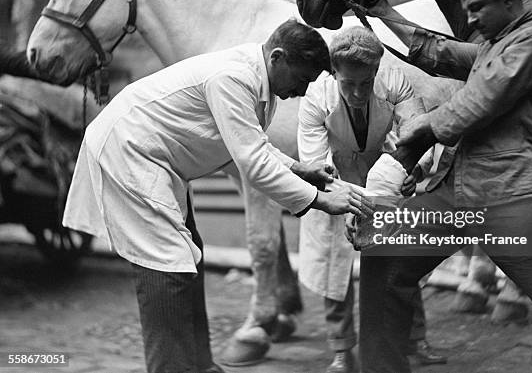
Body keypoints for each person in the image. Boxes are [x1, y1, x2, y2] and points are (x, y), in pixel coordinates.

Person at [62, 19, 374, 373]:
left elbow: (250, 142)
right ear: (278, 57)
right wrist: (320, 201)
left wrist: (300, 169)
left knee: (190, 257)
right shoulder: (233, 78)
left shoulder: (259, 81)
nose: (302, 91)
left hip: (157, 160)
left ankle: (199, 365)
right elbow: (252, 163)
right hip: (129, 151)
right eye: (301, 80)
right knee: (168, 264)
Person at [346, 0, 532, 373]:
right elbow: (438, 52)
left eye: (476, 8)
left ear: (509, 0)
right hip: (462, 198)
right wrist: (382, 11)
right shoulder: (493, 48)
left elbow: (477, 103)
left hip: (516, 200)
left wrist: (419, 132)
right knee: (386, 249)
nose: (468, 19)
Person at [296, 26, 447, 373]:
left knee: (397, 260)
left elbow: (417, 133)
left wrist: (417, 169)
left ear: (376, 72)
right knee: (335, 264)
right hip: (336, 183)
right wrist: (351, 201)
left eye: (366, 83)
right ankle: (341, 348)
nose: (358, 92)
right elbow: (318, 165)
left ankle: (415, 338)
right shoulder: (315, 97)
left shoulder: (396, 82)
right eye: (348, 83)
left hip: (386, 176)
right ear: (334, 72)